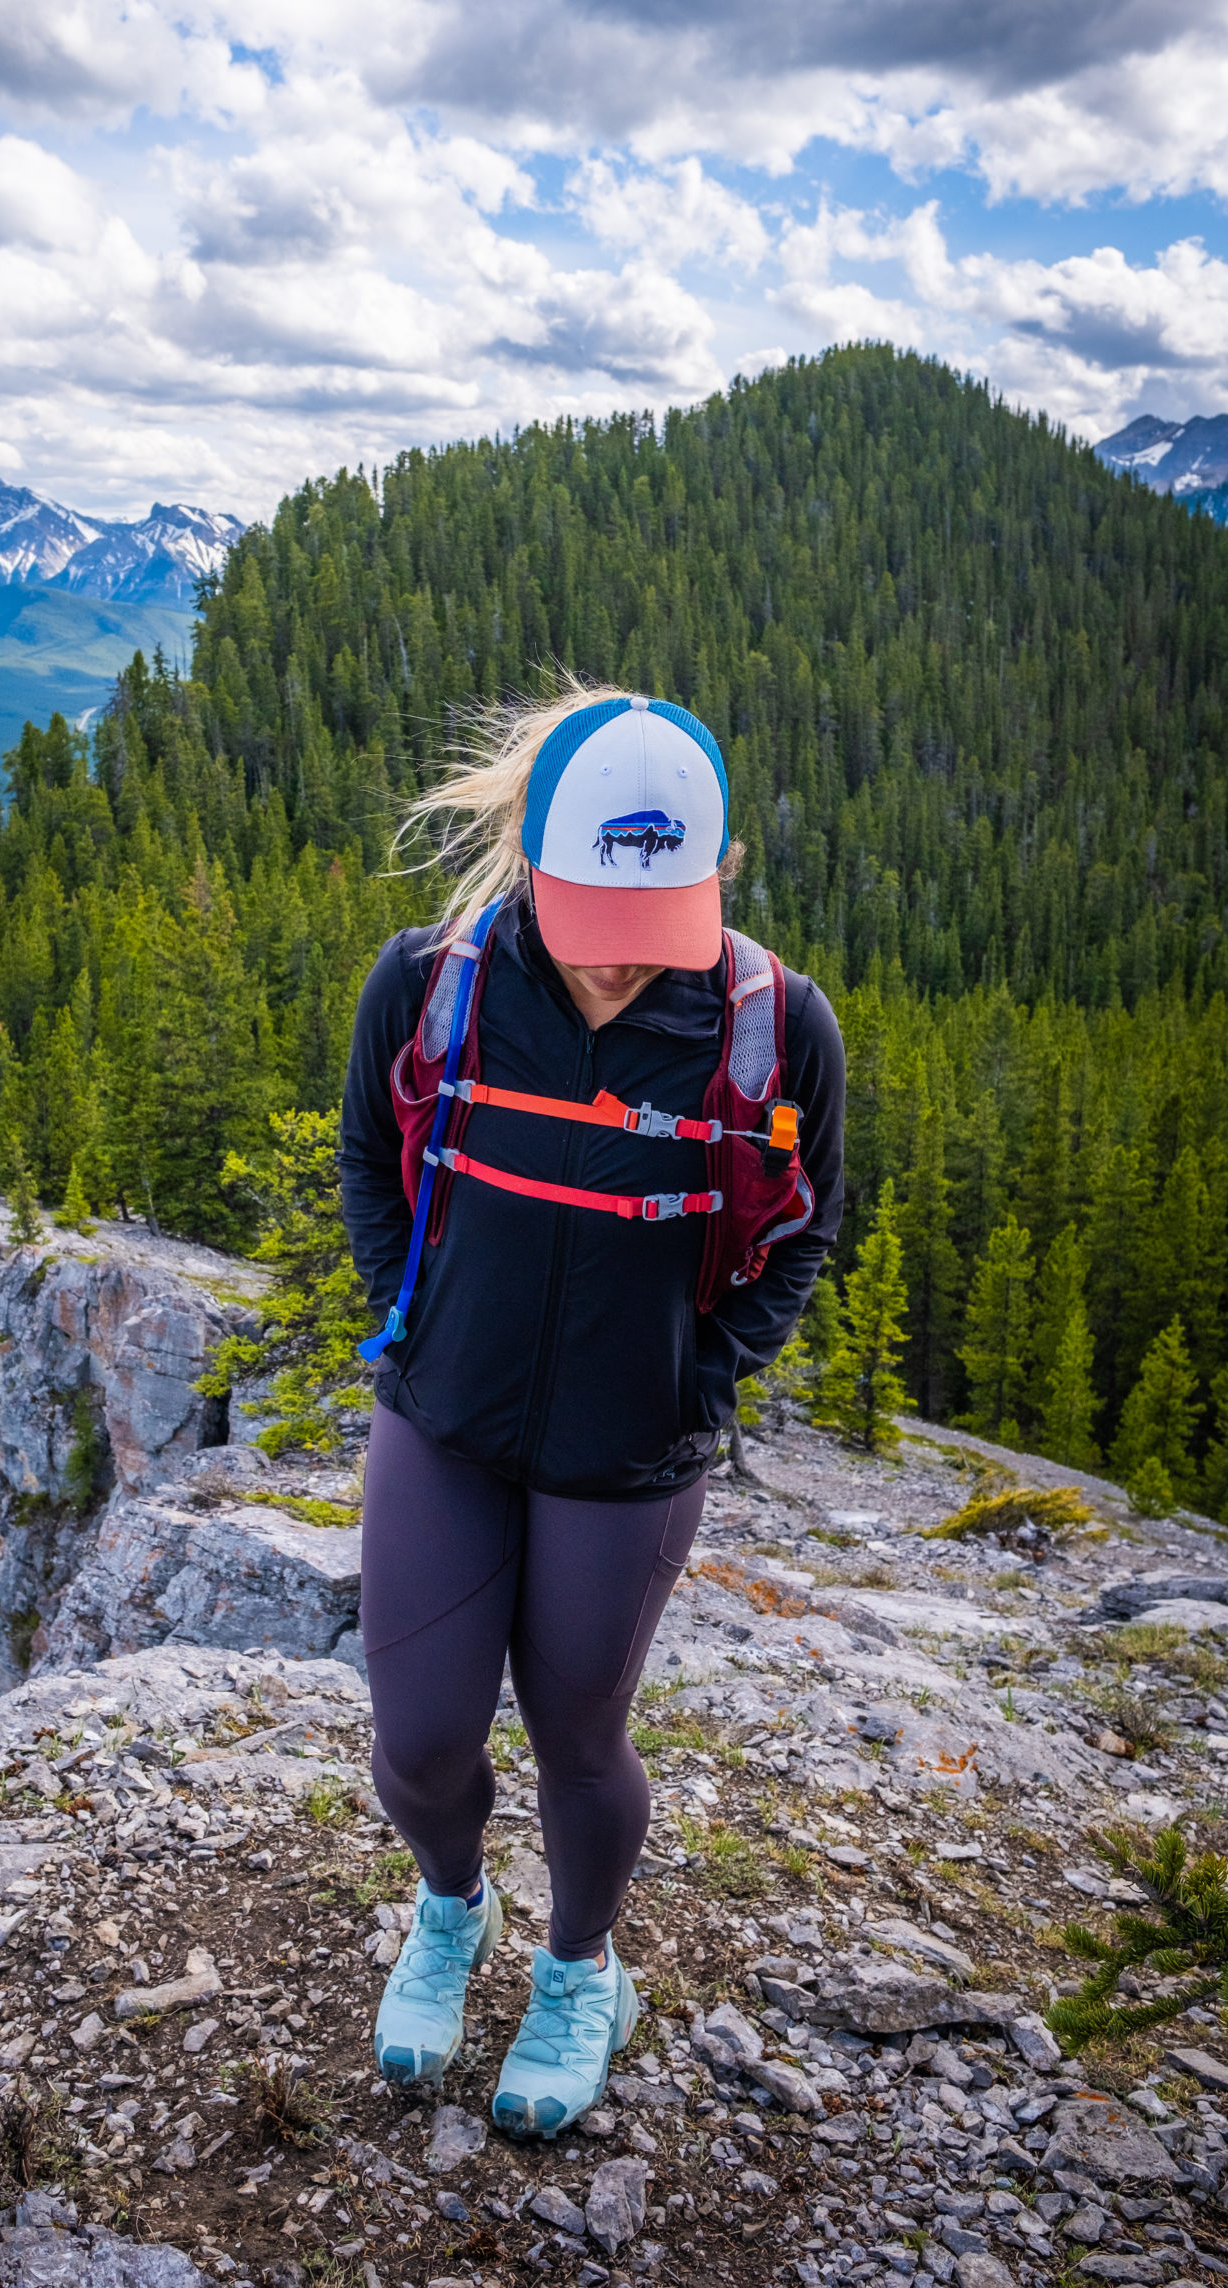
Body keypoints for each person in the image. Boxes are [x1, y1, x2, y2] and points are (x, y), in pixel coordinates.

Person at [339, 686, 845, 2137]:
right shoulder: (432, 985)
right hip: (446, 1419)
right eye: (593, 929)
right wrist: (412, 1307)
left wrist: (710, 1364)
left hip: (627, 1456)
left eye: (654, 934)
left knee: (579, 1738)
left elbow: (806, 1226)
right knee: (422, 1737)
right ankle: (453, 1909)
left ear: (716, 881)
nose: (622, 973)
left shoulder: (772, 1026)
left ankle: (579, 1973)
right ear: (532, 865)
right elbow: (372, 1157)